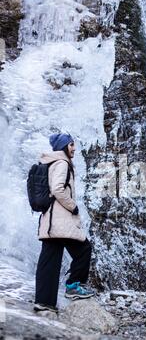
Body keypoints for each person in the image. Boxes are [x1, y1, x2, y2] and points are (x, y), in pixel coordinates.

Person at [34, 133, 94, 313]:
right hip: (60, 221)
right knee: (84, 249)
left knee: (49, 262)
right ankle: (74, 287)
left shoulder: (51, 162)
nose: (74, 148)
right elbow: (58, 189)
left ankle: (44, 302)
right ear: (63, 146)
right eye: (71, 145)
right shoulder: (62, 163)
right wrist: (73, 206)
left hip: (50, 221)